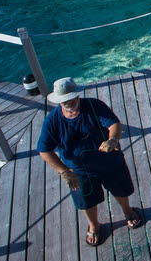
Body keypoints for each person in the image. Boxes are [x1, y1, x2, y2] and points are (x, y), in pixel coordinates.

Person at [37, 77, 143, 246]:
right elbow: (44, 150)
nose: (69, 102)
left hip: (109, 161)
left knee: (121, 190)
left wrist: (113, 140)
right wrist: (64, 172)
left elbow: (113, 124)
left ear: (77, 96)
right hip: (79, 171)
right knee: (86, 201)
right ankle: (94, 225)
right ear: (59, 102)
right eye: (64, 100)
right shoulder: (52, 121)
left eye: (71, 98)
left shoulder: (94, 105)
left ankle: (128, 211)